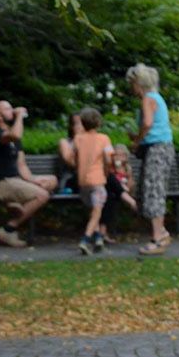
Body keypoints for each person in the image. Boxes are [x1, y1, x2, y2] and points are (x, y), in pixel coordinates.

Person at [0, 99, 58, 248]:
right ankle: (8, 229)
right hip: (0, 183)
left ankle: (13, 204)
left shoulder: (15, 140)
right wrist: (20, 116)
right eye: (7, 109)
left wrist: (34, 181)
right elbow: (15, 135)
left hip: (15, 181)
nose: (13, 110)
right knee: (42, 195)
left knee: (52, 180)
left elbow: (22, 166)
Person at [126, 64, 175, 256]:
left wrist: (137, 141)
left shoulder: (148, 98)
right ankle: (161, 232)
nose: (131, 88)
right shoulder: (156, 98)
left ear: (139, 83)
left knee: (153, 191)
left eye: (132, 84)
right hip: (161, 149)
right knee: (150, 190)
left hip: (157, 150)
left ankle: (158, 239)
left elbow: (147, 124)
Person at [72, 107, 114, 255]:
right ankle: (85, 240)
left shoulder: (78, 138)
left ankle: (98, 240)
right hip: (97, 181)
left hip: (83, 182)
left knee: (93, 210)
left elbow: (75, 158)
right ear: (99, 123)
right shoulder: (104, 139)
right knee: (97, 213)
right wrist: (107, 172)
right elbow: (109, 159)